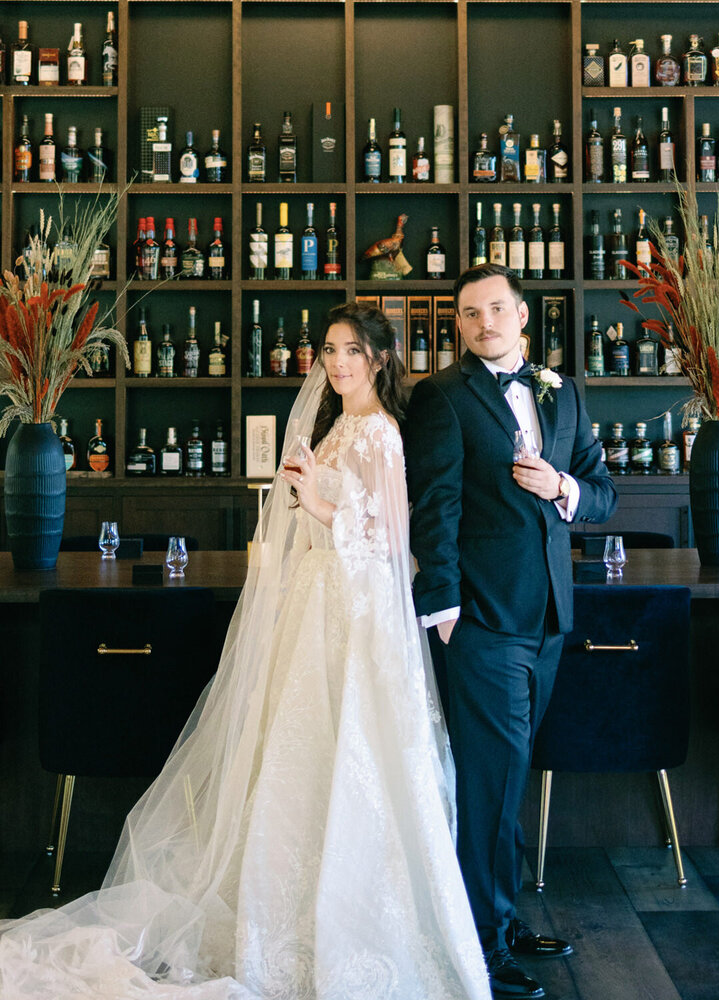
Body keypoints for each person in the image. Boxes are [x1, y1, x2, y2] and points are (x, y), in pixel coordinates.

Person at [0, 302, 492, 1000]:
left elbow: (390, 540)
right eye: (330, 349)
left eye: (352, 350)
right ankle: (279, 908)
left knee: (355, 749)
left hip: (356, 609)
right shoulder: (338, 427)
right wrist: (306, 494)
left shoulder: (381, 433)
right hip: (317, 600)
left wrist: (320, 509)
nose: (338, 362)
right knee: (297, 750)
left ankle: (347, 915)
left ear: (380, 360)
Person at [404, 264, 618, 1000]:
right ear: (458, 324)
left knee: (509, 779)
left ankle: (504, 915)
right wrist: (445, 611)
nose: (483, 322)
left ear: (522, 317)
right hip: (484, 622)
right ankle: (484, 948)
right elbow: (433, 508)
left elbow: (602, 489)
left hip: (550, 619)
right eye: (469, 313)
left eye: (496, 308)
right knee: (490, 784)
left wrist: (565, 488)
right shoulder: (439, 397)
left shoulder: (561, 390)